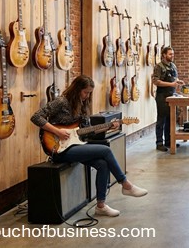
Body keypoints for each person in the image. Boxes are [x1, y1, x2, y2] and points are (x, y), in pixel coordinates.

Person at [31, 75, 147, 217]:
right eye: (85, 92)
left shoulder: (83, 105)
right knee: (105, 150)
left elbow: (89, 132)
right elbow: (36, 117)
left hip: (75, 144)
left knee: (102, 164)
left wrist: (110, 127)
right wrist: (57, 131)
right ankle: (125, 184)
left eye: (89, 93)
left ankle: (100, 206)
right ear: (77, 89)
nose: (87, 96)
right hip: (58, 148)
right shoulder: (61, 102)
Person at [152, 46, 184, 152]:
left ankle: (169, 141)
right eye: (170, 54)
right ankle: (159, 142)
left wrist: (178, 81)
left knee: (171, 120)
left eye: (173, 54)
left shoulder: (173, 66)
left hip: (172, 96)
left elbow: (175, 78)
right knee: (161, 120)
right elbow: (156, 81)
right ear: (164, 55)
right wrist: (171, 84)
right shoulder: (159, 66)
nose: (172, 56)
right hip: (162, 96)